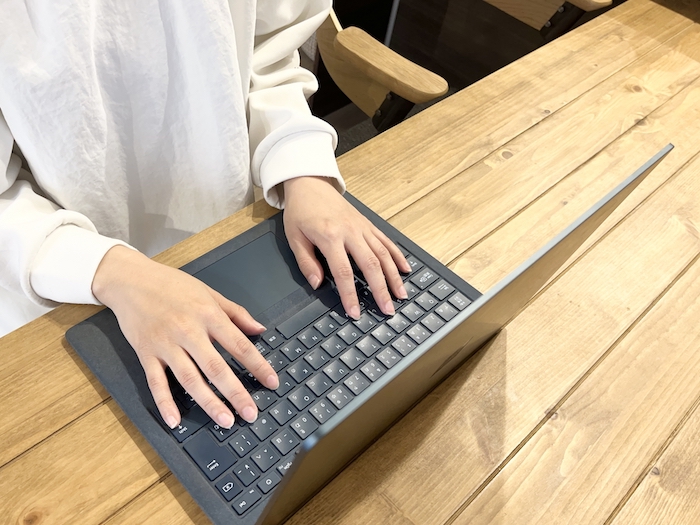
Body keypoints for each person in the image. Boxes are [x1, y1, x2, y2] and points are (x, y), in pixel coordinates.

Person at [0, 0, 410, 431]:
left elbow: (268, 45)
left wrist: (303, 167)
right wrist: (112, 272)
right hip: (60, 282)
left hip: (227, 237)